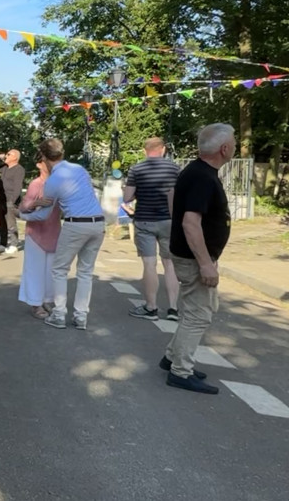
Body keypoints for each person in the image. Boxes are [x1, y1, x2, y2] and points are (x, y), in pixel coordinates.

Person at [161, 124, 234, 395]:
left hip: (191, 254)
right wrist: (205, 262)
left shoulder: (197, 171)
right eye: (234, 141)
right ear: (224, 149)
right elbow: (191, 222)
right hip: (194, 258)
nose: (236, 145)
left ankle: (172, 358)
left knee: (198, 311)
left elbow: (173, 200)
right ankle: (181, 371)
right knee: (198, 315)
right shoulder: (203, 176)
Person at [22, 138, 105, 330]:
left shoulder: (52, 181)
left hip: (75, 223)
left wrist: (22, 215)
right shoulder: (80, 170)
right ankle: (81, 315)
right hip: (97, 223)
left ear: (44, 156)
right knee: (85, 272)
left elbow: (44, 213)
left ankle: (59, 314)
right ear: (62, 153)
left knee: (59, 269)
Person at [125, 137, 182, 321]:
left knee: (149, 265)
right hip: (169, 222)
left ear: (144, 151)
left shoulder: (137, 169)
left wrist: (129, 190)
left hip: (145, 221)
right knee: (170, 265)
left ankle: (151, 308)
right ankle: (173, 309)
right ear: (163, 150)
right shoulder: (174, 168)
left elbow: (127, 197)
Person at [18, 154, 61, 318]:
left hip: (54, 231)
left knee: (51, 270)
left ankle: (48, 300)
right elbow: (23, 207)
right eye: (46, 161)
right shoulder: (36, 184)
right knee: (35, 270)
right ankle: (35, 304)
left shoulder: (58, 183)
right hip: (35, 233)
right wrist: (35, 203)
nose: (50, 163)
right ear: (39, 165)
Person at [0, 149, 25, 254]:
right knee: (1, 223)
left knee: (11, 223)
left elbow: (18, 186)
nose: (6, 156)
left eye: (8, 154)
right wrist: (0, 158)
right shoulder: (4, 168)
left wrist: (13, 201)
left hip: (11, 200)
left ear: (15, 157)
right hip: (1, 199)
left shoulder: (19, 169)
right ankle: (3, 243)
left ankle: (13, 244)